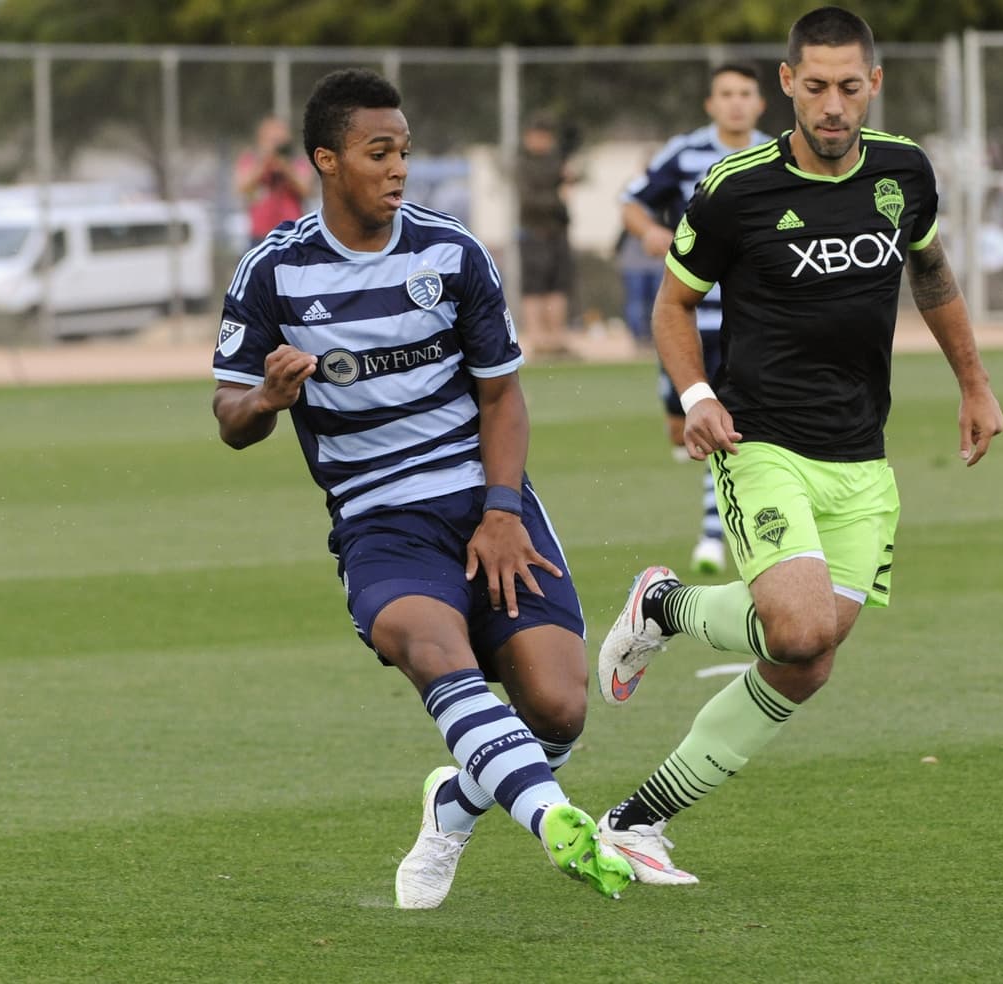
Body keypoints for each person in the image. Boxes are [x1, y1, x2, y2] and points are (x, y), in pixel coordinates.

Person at [594, 6, 1003, 886]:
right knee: (800, 625)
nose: (832, 105)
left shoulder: (904, 171)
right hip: (761, 441)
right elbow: (673, 304)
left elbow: (929, 272)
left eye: (849, 87)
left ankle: (639, 818)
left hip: (862, 456)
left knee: (806, 664)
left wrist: (974, 383)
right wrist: (698, 394)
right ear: (787, 84)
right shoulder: (735, 188)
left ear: (874, 85)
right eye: (814, 86)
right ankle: (663, 607)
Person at [212, 68, 632, 909]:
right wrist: (266, 398)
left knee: (557, 709)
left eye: (403, 149)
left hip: (483, 500)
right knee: (438, 654)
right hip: (377, 520)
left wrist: (503, 513)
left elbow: (502, 395)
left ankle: (456, 800)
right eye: (379, 152)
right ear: (327, 161)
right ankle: (558, 823)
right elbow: (229, 414)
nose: (398, 167)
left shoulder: (451, 251)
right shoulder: (274, 271)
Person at [619, 62, 769, 575]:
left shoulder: (777, 153)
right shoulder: (685, 152)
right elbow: (631, 202)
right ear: (711, 104)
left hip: (747, 318)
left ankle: (712, 537)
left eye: (744, 93)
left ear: (760, 102)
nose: (735, 102)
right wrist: (649, 233)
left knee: (725, 424)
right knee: (679, 424)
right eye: (725, 93)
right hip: (685, 316)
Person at [515, 113, 577, 357]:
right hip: (533, 232)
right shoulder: (523, 163)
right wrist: (558, 197)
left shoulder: (556, 160)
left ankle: (556, 339)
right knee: (534, 287)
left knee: (559, 284)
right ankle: (537, 340)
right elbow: (529, 200)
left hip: (558, 231)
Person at [234, 115, 315, 247]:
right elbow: (242, 187)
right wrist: (264, 163)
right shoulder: (251, 159)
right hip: (260, 234)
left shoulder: (297, 161)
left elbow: (306, 190)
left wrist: (285, 168)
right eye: (271, 139)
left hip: (291, 232)